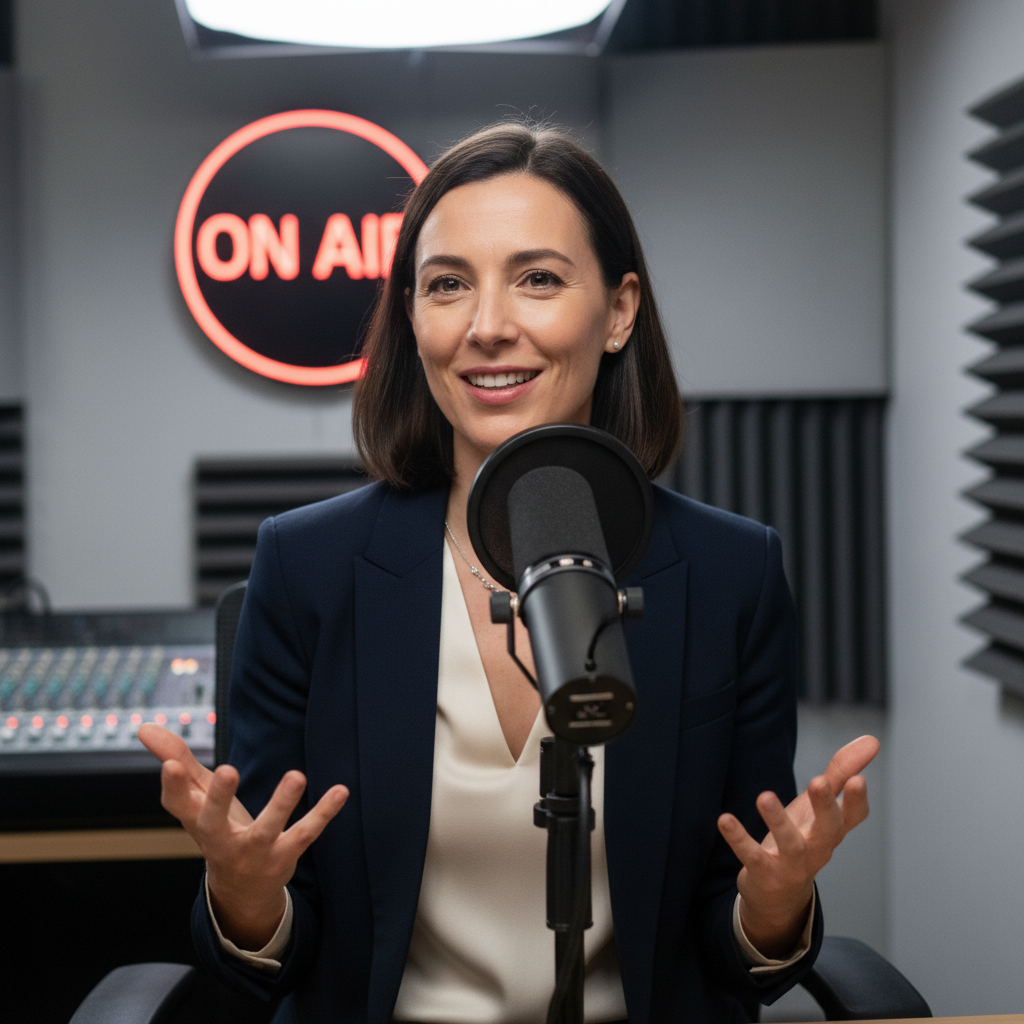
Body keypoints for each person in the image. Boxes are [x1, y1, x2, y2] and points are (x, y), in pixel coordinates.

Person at [140, 122, 879, 1024]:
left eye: (538, 279)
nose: (488, 328)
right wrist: (245, 897)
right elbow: (271, 959)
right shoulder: (309, 568)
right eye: (448, 285)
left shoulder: (732, 574)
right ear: (412, 319)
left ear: (618, 310)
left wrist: (771, 912)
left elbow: (734, 951)